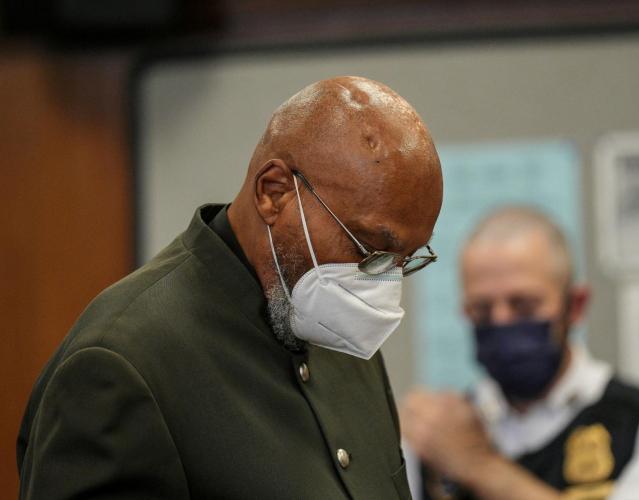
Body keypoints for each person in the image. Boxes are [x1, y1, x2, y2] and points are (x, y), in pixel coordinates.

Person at [17, 76, 443, 499]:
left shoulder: (340, 331)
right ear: (274, 192)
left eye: (406, 259)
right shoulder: (120, 364)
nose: (384, 281)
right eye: (370, 248)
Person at [401, 207, 639, 500]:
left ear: (575, 306)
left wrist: (480, 467)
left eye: (524, 306)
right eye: (482, 309)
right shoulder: (438, 434)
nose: (501, 322)